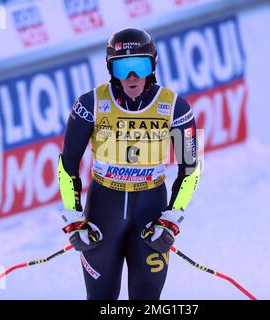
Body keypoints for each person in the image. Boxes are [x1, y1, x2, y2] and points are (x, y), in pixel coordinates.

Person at [57, 27, 201, 300]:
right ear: (111, 69)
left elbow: (190, 168)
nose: (132, 77)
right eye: (123, 68)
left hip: (150, 213)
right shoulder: (90, 103)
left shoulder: (175, 107)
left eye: (140, 65)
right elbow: (68, 164)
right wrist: (74, 217)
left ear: (153, 66)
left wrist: (171, 218)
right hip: (102, 214)